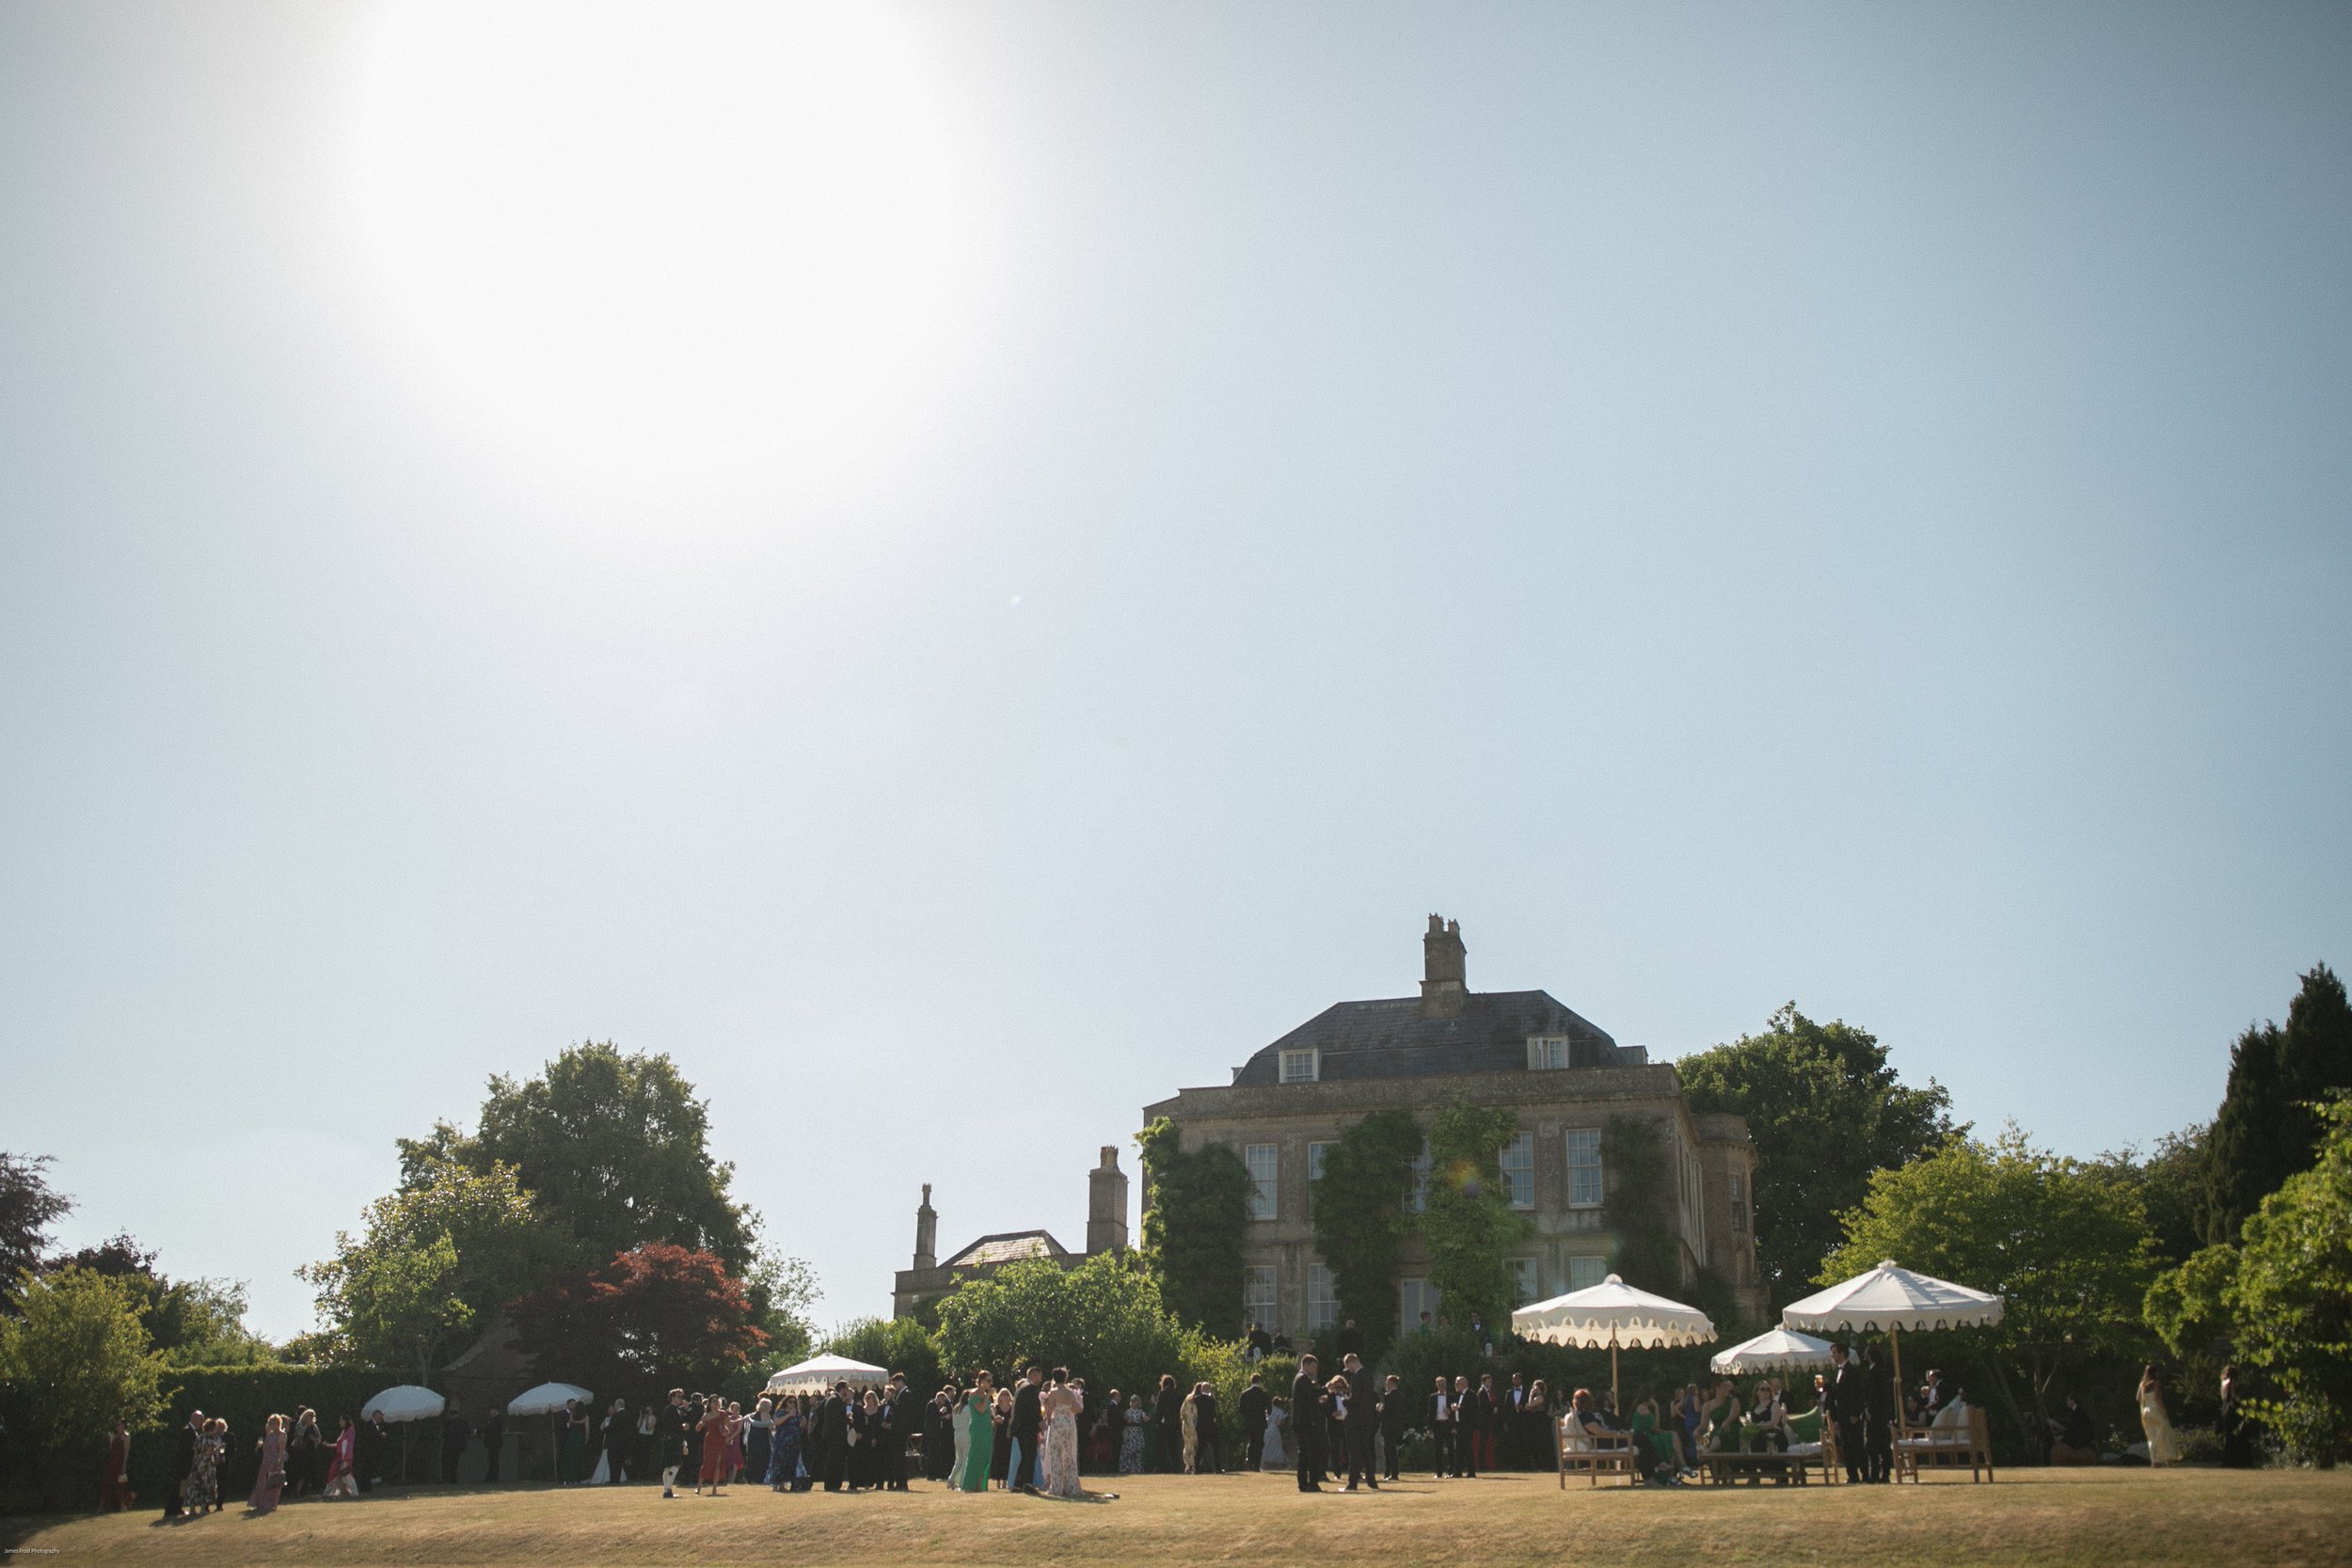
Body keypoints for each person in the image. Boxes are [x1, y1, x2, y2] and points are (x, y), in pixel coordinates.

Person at [1041, 1367, 1085, 1498]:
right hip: (1069, 1423)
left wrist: (1049, 1419)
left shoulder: (1052, 1392)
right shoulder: (1070, 1392)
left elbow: (1049, 1413)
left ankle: (1057, 1487)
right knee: (1068, 1455)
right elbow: (1077, 1409)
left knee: (1055, 1455)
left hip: (1057, 1423)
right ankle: (1072, 1486)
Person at [1828, 1346, 1867, 1483]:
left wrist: (1855, 1413)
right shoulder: (1838, 1371)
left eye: (1834, 1353)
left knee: (1857, 1444)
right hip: (1842, 1415)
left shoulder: (1852, 1371)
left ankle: (1865, 1474)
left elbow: (1857, 1394)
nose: (1832, 1356)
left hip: (1852, 1415)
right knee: (1847, 1446)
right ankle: (1852, 1475)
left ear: (1842, 1353)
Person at [1291, 1354, 1327, 1492]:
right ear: (1305, 1365)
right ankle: (1311, 1483)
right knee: (1310, 1453)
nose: (1315, 1370)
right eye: (1313, 1367)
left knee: (1305, 1453)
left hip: (1301, 1421)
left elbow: (1308, 1399)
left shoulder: (1300, 1379)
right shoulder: (1302, 1379)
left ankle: (1304, 1484)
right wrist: (1327, 1388)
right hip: (1305, 1422)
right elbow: (1312, 1394)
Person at [1863, 1343, 1895, 1483]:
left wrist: (1869, 1410)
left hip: (1875, 1414)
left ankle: (1874, 1473)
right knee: (1884, 1445)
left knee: (1872, 1445)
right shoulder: (1884, 1372)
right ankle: (1885, 1473)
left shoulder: (1873, 1373)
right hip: (1884, 1414)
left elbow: (1873, 1395)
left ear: (1869, 1357)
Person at [165, 1407, 204, 1519]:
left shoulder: (193, 1431)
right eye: (201, 1419)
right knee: (179, 1486)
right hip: (184, 1463)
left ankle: (177, 1508)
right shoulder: (187, 1430)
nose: (202, 1422)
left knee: (182, 1487)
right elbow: (185, 1448)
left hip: (188, 1463)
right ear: (195, 1419)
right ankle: (173, 1509)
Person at [2137, 1366, 2181, 1466]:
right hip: (2155, 1410)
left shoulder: (2143, 1384)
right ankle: (2168, 1458)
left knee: (2151, 1436)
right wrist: (2163, 1410)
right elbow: (2157, 1397)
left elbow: (2139, 1398)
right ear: (2154, 1373)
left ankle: (2155, 1460)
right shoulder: (2155, 1383)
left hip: (2146, 1411)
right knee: (2163, 1433)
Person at [1010, 1365, 1044, 1491]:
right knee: (1029, 1456)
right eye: (1039, 1377)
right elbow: (1033, 1410)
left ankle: (1018, 1484)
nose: (1040, 1380)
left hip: (1020, 1428)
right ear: (1034, 1375)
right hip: (1027, 1428)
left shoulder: (1021, 1388)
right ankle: (1027, 1483)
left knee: (1025, 1456)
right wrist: (1040, 1423)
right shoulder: (1030, 1388)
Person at [961, 1381, 996, 1492]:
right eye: (988, 1380)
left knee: (985, 1456)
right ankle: (969, 1485)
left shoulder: (986, 1395)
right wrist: (987, 1395)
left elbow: (987, 1410)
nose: (990, 1383)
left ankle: (981, 1485)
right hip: (977, 1428)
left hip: (986, 1428)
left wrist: (995, 1418)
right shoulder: (974, 1394)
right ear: (981, 1381)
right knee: (975, 1456)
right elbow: (980, 1409)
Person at [249, 1414, 287, 1514]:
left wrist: (279, 1462)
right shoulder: (269, 1435)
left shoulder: (281, 1434)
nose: (271, 1425)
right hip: (266, 1462)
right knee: (262, 1483)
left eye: (273, 1423)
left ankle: (272, 1504)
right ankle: (260, 1503)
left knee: (273, 1484)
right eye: (270, 1423)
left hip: (274, 1461)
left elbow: (281, 1450)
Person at [659, 1388, 693, 1498]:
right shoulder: (670, 1409)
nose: (681, 1399)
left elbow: (686, 1419)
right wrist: (682, 1427)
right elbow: (669, 1426)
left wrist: (687, 1410)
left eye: (682, 1397)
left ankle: (667, 1490)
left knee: (669, 1466)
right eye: (679, 1397)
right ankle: (667, 1490)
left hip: (676, 1439)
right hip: (672, 1439)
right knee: (674, 1464)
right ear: (673, 1397)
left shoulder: (678, 1410)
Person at [697, 1398, 736, 1495]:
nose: (716, 1403)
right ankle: (699, 1488)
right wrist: (700, 1425)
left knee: (718, 1463)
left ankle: (714, 1489)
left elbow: (730, 1427)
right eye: (714, 1401)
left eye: (717, 1401)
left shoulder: (723, 1414)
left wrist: (726, 1434)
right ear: (709, 1404)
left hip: (721, 1441)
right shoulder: (706, 1415)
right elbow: (697, 1429)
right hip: (710, 1441)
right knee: (707, 1463)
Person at [2220, 1364, 2255, 1468]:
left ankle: (2228, 1460)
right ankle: (2241, 1460)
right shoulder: (2231, 1382)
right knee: (2240, 1435)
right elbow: (2235, 1396)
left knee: (2229, 1436)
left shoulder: (2223, 1383)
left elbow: (2224, 1397)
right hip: (2234, 1410)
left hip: (2225, 1409)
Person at [2051, 1394, 2099, 1465]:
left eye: (2067, 1400)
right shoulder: (2077, 1411)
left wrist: (2062, 1438)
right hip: (2081, 1436)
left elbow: (2074, 1429)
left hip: (2082, 1438)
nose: (2066, 1402)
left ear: (2072, 1401)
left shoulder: (2077, 1412)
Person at [1238, 1373, 1270, 1472]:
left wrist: (1247, 1415)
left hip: (1249, 1422)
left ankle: (1249, 1459)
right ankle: (1256, 1465)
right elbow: (1269, 1408)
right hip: (1260, 1422)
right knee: (1259, 1443)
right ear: (1259, 1381)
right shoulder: (1263, 1394)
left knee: (1251, 1441)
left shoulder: (1245, 1393)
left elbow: (1241, 1409)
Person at [1152, 1373, 1182, 1474]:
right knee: (1174, 1447)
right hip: (1175, 1424)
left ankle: (1162, 1467)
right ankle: (1176, 1466)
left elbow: (1159, 1409)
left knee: (1162, 1447)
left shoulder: (1162, 1393)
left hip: (1164, 1424)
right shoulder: (1178, 1394)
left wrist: (1157, 1422)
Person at [1428, 1375, 1456, 1479]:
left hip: (1448, 1424)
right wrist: (1430, 1428)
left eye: (1443, 1384)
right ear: (1436, 1385)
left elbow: (1455, 1412)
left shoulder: (1452, 1396)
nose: (1442, 1385)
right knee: (1438, 1449)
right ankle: (1439, 1472)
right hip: (1437, 1425)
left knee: (1451, 1448)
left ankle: (1451, 1471)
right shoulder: (1433, 1397)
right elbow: (1430, 1413)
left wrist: (1451, 1415)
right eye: (1439, 1384)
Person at [601, 1398, 632, 1484]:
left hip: (614, 1442)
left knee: (612, 1461)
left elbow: (611, 1428)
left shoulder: (616, 1415)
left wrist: (605, 1429)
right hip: (624, 1442)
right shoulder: (628, 1415)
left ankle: (613, 1479)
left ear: (617, 1405)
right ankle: (617, 1479)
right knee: (619, 1462)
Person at [439, 1399, 470, 1484]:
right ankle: (454, 1479)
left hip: (449, 1446)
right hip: (459, 1446)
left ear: (451, 1415)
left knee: (446, 1462)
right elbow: (468, 1431)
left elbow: (445, 1434)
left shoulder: (449, 1424)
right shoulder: (462, 1422)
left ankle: (446, 1479)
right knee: (455, 1463)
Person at [354, 1410, 384, 1496]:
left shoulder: (376, 1425)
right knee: (366, 1470)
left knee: (368, 1470)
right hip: (368, 1452)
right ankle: (365, 1488)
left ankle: (367, 1487)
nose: (380, 1419)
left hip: (371, 1451)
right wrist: (380, 1435)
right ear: (375, 1416)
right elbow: (369, 1437)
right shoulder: (369, 1424)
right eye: (379, 1417)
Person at [1120, 1388, 1149, 1475]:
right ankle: (1127, 1468)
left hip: (1138, 1432)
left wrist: (1146, 1417)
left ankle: (1138, 1469)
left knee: (1138, 1451)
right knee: (1128, 1451)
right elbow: (1125, 1420)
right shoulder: (1128, 1411)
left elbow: (1146, 1419)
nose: (1133, 1402)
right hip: (1130, 1432)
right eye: (1132, 1401)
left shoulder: (1141, 1412)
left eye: (1135, 1401)